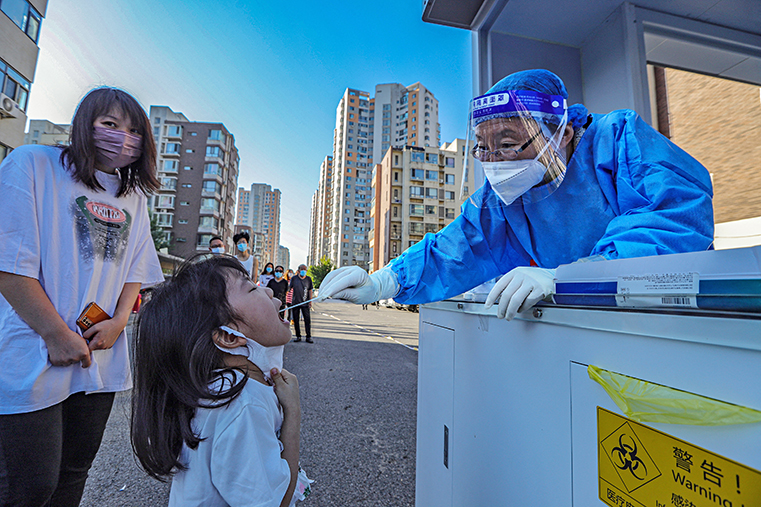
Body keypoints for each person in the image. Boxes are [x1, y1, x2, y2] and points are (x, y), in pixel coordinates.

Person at [320, 69, 714, 321]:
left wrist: (569, 279)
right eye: (484, 147)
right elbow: (458, 247)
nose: (494, 161)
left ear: (561, 131)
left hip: (669, 322)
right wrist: (383, 282)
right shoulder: (507, 198)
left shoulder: (619, 140)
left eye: (508, 143)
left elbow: (676, 218)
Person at [0, 87, 165, 506]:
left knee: (73, 474)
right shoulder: (33, 164)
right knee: (29, 483)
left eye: (133, 131)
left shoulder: (134, 197)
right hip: (34, 348)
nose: (122, 138)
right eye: (109, 125)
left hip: (99, 353)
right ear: (83, 123)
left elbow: (136, 271)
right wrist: (56, 334)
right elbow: (9, 263)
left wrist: (119, 321)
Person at [130, 256, 311, 506]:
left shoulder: (218, 387)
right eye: (252, 288)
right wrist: (293, 411)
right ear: (228, 336)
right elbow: (275, 502)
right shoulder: (243, 404)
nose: (269, 290)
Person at [288, 265, 313, 343]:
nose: (303, 271)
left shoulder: (308, 279)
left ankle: (308, 336)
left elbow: (310, 290)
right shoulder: (294, 279)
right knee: (296, 320)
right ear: (298, 270)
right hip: (295, 302)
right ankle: (298, 336)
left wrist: (310, 301)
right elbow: (289, 288)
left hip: (305, 303)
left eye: (305, 269)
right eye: (302, 269)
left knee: (307, 320)